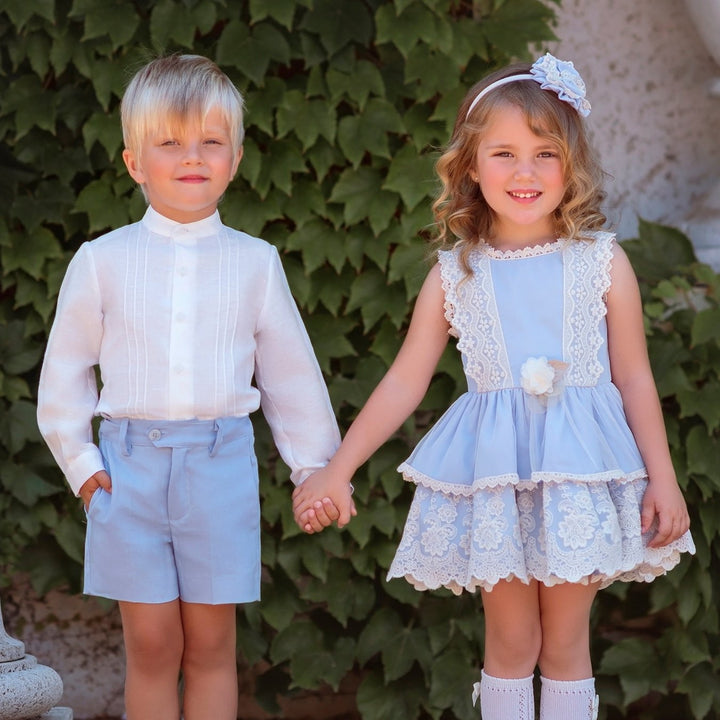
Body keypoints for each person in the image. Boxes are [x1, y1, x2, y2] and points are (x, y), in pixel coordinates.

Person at [292, 53, 695, 719]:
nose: (524, 173)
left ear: (571, 164)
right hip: (496, 481)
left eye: (545, 154)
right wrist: (338, 471)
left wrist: (664, 478)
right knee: (512, 640)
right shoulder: (455, 274)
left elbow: (634, 377)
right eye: (504, 154)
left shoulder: (602, 262)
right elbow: (404, 380)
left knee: (565, 642)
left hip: (580, 476)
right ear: (471, 167)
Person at [37, 54, 342, 720]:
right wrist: (83, 468)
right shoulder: (102, 261)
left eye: (210, 141)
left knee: (210, 646)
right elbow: (64, 372)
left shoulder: (255, 263)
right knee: (151, 645)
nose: (193, 157)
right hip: (127, 472)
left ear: (235, 159)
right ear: (134, 163)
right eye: (170, 143)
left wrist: (315, 469)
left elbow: (291, 376)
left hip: (218, 467)